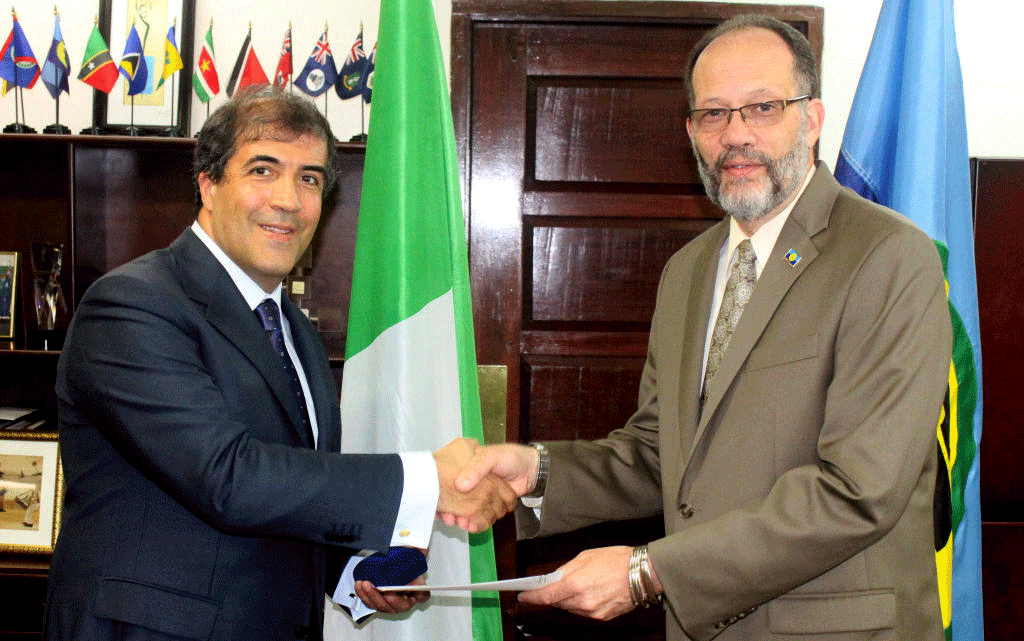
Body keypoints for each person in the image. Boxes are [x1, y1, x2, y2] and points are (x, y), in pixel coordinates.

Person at [452, 14, 951, 641]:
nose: (735, 136)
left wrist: (648, 571)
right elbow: (662, 455)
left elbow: (857, 491)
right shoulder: (688, 271)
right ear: (691, 131)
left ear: (813, 119)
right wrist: (534, 472)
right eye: (713, 114)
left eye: (762, 107)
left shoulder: (889, 256)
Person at [44, 86, 515, 641]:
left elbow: (286, 503)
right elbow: (230, 479)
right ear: (209, 184)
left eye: (309, 178)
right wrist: (428, 478)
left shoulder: (295, 332)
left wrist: (359, 576)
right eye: (263, 170)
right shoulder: (132, 305)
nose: (289, 199)